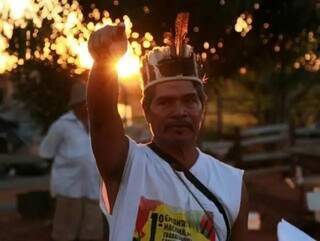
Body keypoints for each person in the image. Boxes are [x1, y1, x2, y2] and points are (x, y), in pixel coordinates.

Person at [87, 18, 248, 241]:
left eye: (190, 101)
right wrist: (105, 62)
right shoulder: (126, 164)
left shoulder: (232, 184)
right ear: (146, 110)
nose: (179, 111)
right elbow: (101, 120)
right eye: (165, 102)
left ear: (202, 107)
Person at [39, 82, 103, 241]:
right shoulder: (61, 125)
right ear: (75, 104)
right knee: (65, 234)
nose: (88, 106)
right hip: (68, 187)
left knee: (92, 234)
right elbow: (46, 152)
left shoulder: (99, 123)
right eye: (84, 102)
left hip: (94, 186)